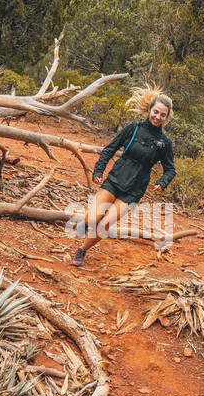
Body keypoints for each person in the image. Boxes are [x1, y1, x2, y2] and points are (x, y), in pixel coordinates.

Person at [71, 86, 176, 267]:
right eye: (155, 112)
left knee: (104, 224)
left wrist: (162, 182)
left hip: (135, 189)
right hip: (115, 178)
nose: (157, 117)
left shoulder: (164, 143)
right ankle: (86, 224)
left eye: (162, 115)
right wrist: (98, 170)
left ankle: (82, 251)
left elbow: (170, 169)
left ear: (167, 118)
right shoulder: (133, 128)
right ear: (150, 110)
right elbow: (110, 149)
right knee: (91, 219)